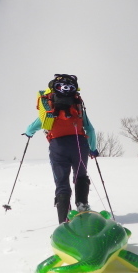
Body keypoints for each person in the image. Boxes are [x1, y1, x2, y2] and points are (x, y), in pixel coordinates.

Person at [24, 74, 99, 223]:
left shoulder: (50, 107)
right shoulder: (77, 106)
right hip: (79, 145)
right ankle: (82, 207)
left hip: (58, 147)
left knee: (61, 182)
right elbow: (90, 130)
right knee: (81, 176)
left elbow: (33, 126)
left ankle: (63, 221)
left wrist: (28, 133)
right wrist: (93, 149)